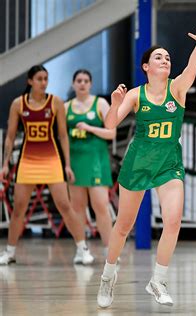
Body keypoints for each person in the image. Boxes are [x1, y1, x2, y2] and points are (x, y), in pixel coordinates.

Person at [96, 30, 196, 308]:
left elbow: (192, 68)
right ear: (146, 66)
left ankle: (158, 280)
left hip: (168, 163)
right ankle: (107, 276)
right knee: (123, 227)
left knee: (173, 221)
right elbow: (110, 125)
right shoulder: (136, 95)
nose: (165, 60)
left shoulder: (178, 88)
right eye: (158, 57)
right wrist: (113, 104)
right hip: (138, 163)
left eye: (168, 57)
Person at [0, 65, 94, 265]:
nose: (44, 82)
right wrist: (5, 164)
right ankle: (10, 252)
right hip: (27, 161)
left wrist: (67, 165)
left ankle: (82, 249)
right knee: (18, 209)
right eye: (40, 79)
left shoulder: (56, 103)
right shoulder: (18, 104)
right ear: (30, 81)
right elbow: (9, 138)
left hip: (51, 160)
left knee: (64, 206)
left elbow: (62, 135)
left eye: (46, 78)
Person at [65, 69, 115, 256]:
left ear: (91, 84)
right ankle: (81, 249)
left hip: (96, 161)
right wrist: (66, 164)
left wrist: (89, 128)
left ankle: (109, 250)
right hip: (75, 163)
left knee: (100, 205)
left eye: (86, 80)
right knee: (77, 208)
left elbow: (112, 133)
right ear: (73, 84)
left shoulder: (100, 103)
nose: (82, 83)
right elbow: (62, 136)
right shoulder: (66, 107)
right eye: (79, 80)